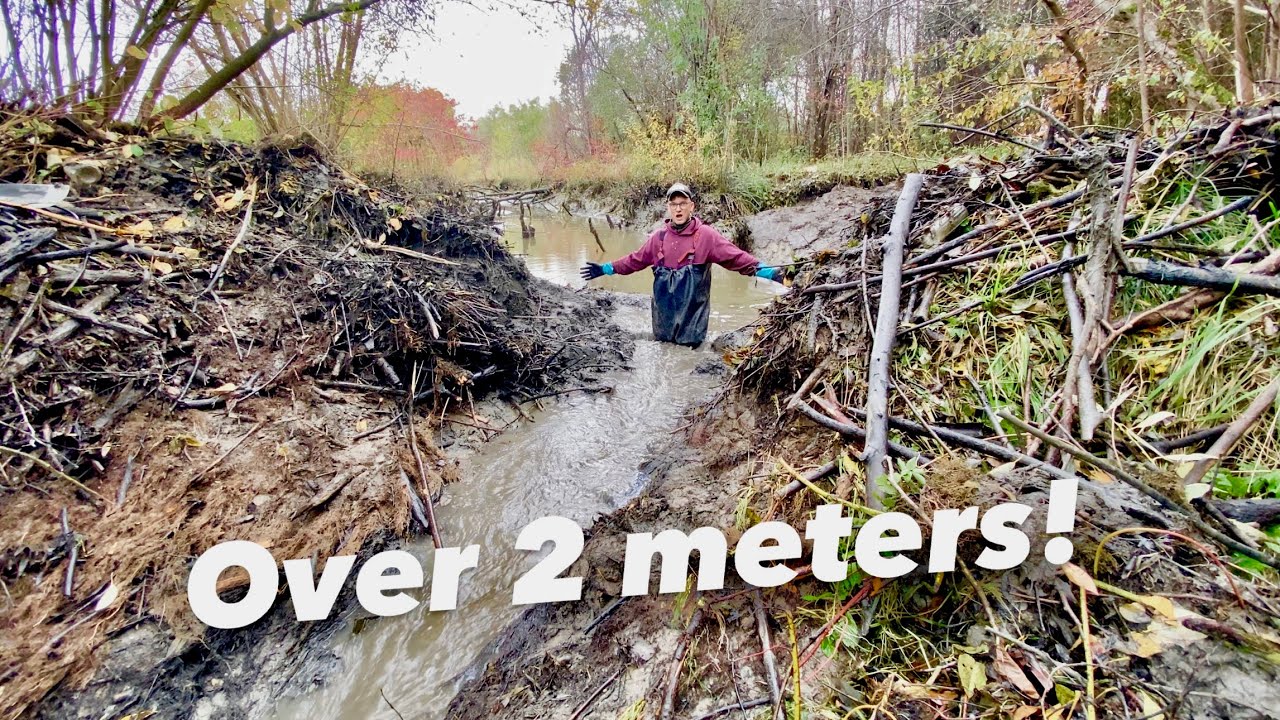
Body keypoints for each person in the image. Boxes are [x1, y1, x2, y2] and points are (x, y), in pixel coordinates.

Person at [579, 183, 784, 347]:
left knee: (689, 357)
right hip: (663, 326)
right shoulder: (657, 238)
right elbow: (634, 261)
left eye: (683, 203)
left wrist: (771, 273)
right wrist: (604, 269)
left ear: (691, 206)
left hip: (692, 329)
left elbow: (737, 259)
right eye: (674, 204)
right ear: (668, 208)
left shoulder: (706, 236)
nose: (678, 208)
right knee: (664, 354)